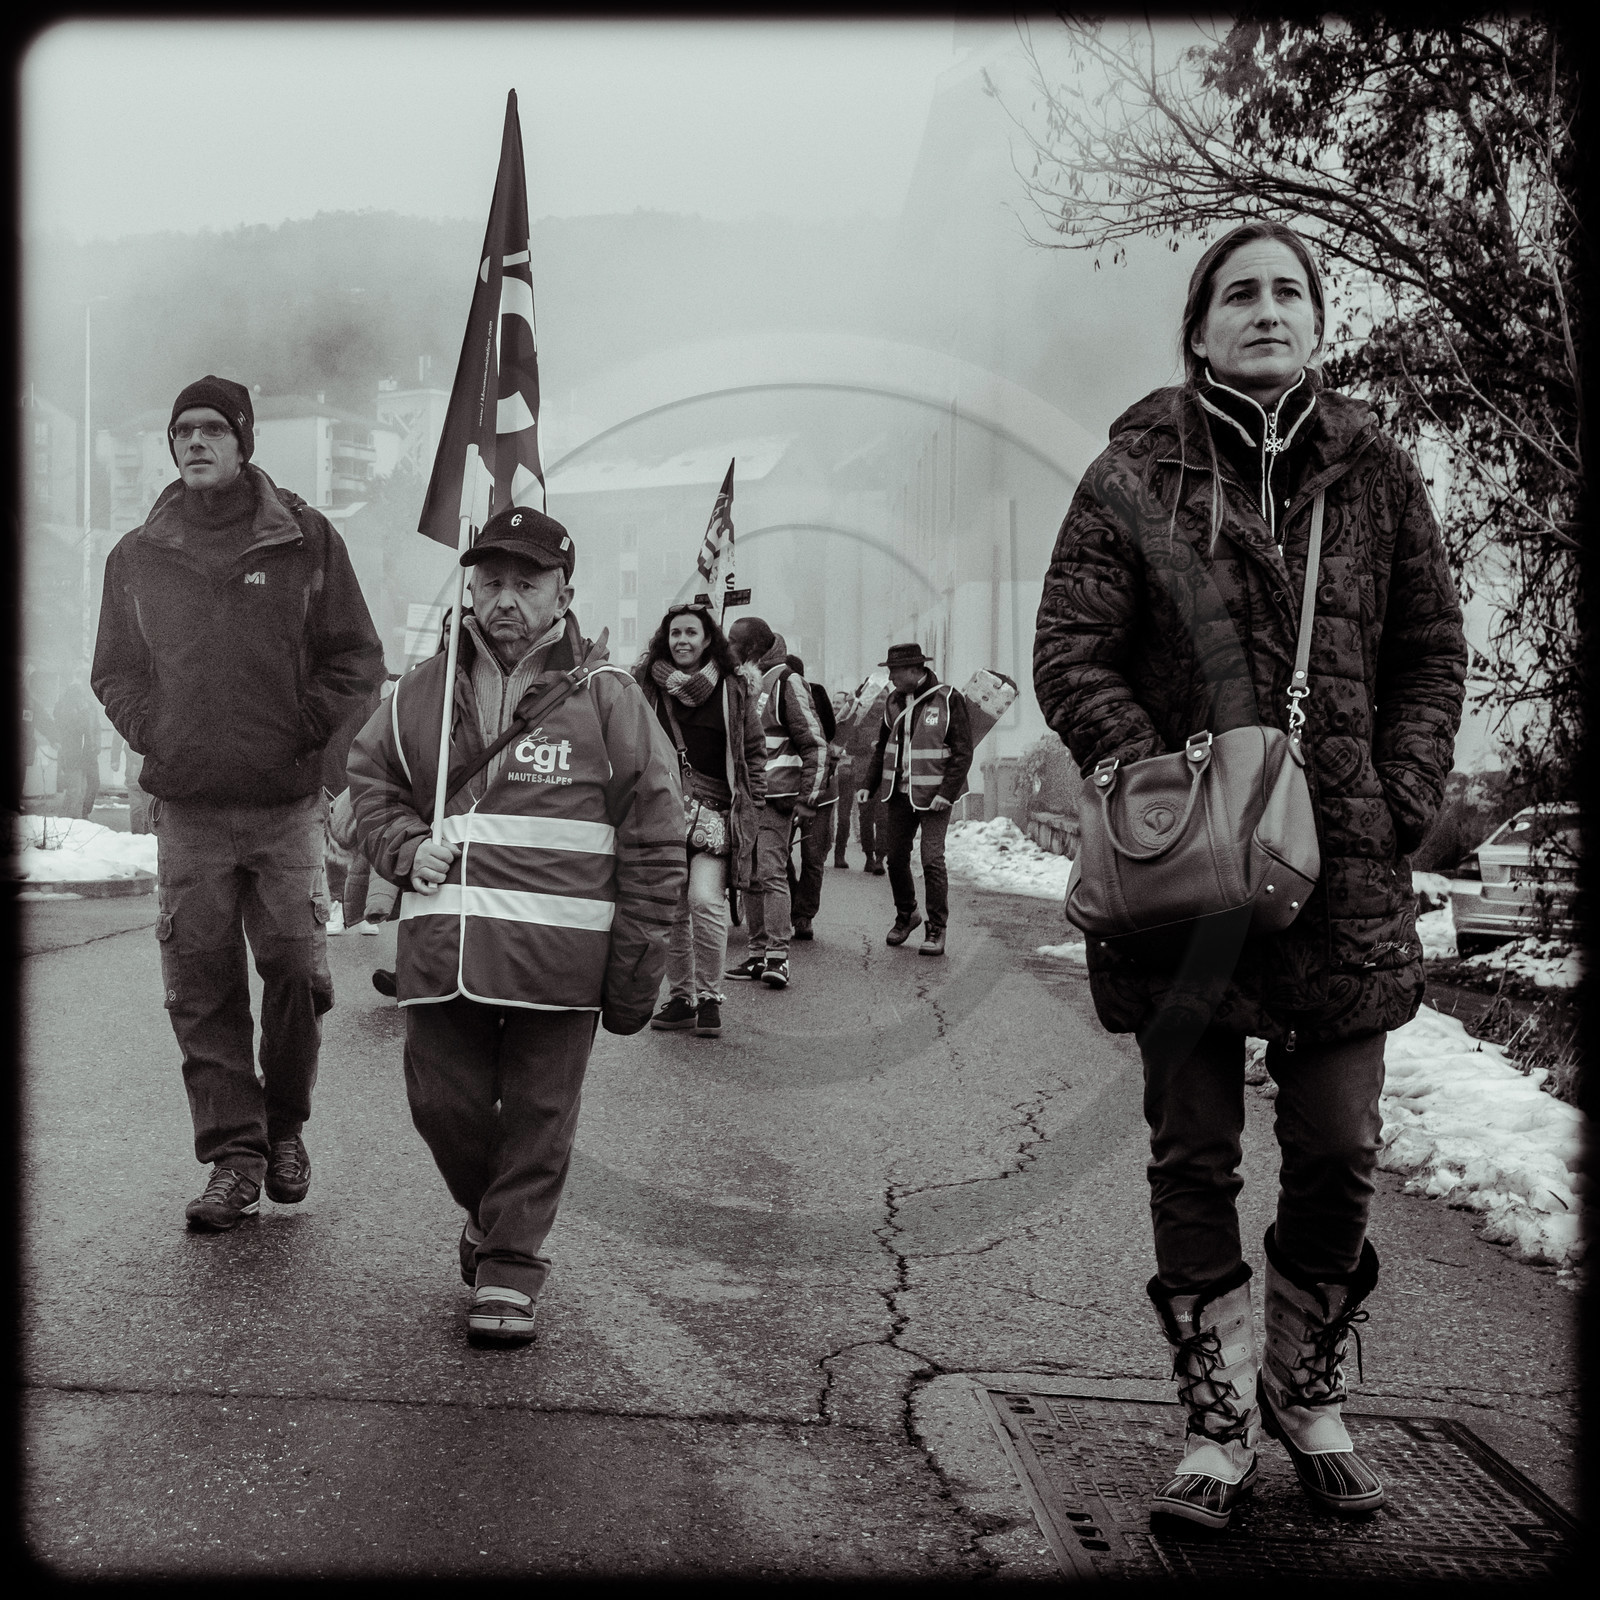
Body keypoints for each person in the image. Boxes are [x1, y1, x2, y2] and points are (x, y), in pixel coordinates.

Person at [1032, 220, 1467, 1531]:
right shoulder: (1133, 473)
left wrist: (1394, 800)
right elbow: (1069, 651)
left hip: (1344, 874)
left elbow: (1432, 653)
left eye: (1289, 291)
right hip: (1183, 879)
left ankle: (1304, 1378)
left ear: (1316, 321)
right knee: (1197, 1155)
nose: (1267, 310)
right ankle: (1217, 1415)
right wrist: (1154, 773)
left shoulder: (1378, 471)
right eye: (1241, 293)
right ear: (1200, 327)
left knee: (1338, 1149)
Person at [346, 504, 684, 1346]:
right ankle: (493, 1219)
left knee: (539, 1116)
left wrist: (636, 971)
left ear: (564, 594)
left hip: (559, 962)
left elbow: (655, 834)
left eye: (525, 583)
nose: (505, 598)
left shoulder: (610, 699)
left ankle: (508, 1269)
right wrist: (400, 844)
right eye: (490, 580)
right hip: (445, 950)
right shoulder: (418, 690)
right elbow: (369, 786)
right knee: (442, 1108)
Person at [93, 375, 385, 1232]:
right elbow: (113, 669)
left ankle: (285, 1123)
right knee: (200, 985)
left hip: (282, 805)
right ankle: (234, 1158)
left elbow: (356, 659)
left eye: (213, 428)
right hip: (186, 808)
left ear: (244, 441)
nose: (195, 442)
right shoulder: (137, 554)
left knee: (297, 969)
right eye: (182, 430)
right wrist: (159, 730)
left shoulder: (306, 540)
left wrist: (304, 736)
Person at [633, 603, 766, 1037]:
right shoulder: (646, 686)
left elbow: (752, 753)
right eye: (675, 634)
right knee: (673, 909)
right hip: (662, 811)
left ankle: (710, 997)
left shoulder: (733, 688)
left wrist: (754, 807)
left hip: (716, 813)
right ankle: (682, 998)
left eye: (691, 633)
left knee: (705, 901)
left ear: (708, 639)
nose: (682, 641)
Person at [721, 617, 825, 990]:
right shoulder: (741, 680)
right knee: (748, 878)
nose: (725, 645)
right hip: (744, 798)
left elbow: (814, 742)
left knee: (770, 874)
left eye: (732, 641)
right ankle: (757, 953)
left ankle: (778, 958)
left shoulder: (785, 681)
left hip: (775, 798)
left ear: (750, 649)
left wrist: (808, 798)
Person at [859, 643, 973, 957]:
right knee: (894, 857)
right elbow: (881, 748)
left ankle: (937, 929)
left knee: (932, 860)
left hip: (935, 796)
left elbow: (963, 753)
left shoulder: (949, 699)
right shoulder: (892, 703)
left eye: (894, 671)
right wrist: (868, 784)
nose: (890, 677)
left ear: (914, 669)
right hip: (899, 792)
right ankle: (907, 914)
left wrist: (946, 794)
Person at [783, 653, 842, 940]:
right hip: (781, 789)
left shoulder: (815, 694)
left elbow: (828, 733)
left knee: (813, 855)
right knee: (776, 854)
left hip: (819, 790)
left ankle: (804, 915)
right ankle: (791, 903)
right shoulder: (763, 697)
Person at [840, 676, 889, 873]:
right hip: (863, 776)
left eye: (884, 697)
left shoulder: (892, 719)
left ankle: (880, 857)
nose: (880, 701)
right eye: (877, 698)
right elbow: (849, 746)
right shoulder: (860, 720)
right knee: (866, 817)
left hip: (885, 776)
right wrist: (868, 748)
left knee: (883, 818)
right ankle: (869, 855)